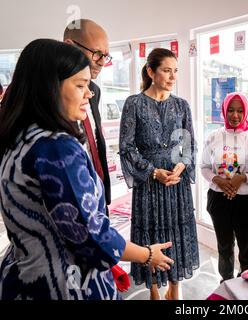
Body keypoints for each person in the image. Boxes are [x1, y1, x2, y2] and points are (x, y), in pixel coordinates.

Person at [0, 39, 174, 300]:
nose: (89, 94)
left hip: (21, 277)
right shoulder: (56, 148)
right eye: (80, 85)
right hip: (65, 285)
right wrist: (147, 254)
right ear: (48, 88)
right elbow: (92, 237)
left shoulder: (18, 137)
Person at [119, 48, 198, 300]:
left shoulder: (182, 105)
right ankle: (153, 289)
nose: (173, 76)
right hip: (149, 182)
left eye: (175, 71)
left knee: (177, 231)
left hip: (177, 183)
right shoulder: (134, 103)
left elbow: (190, 145)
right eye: (166, 70)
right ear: (151, 72)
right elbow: (126, 147)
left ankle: (174, 288)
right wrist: (153, 172)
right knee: (151, 232)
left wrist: (182, 165)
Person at [201, 92, 248, 283]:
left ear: (246, 112)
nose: (235, 115)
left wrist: (241, 178)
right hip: (219, 200)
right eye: (231, 110)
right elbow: (203, 167)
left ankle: (247, 283)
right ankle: (226, 282)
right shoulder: (214, 137)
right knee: (224, 246)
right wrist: (219, 181)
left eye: (240, 110)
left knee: (247, 247)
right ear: (224, 111)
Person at [64, 19, 112, 215]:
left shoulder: (95, 91)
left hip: (97, 196)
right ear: (70, 47)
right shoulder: (45, 100)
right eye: (97, 54)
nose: (102, 62)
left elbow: (95, 144)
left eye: (106, 56)